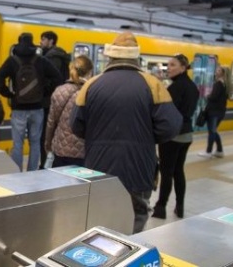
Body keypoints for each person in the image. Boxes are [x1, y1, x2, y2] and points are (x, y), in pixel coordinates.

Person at [71, 31, 181, 233]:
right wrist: (145, 137)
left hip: (98, 167)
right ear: (136, 58)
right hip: (138, 169)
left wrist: (98, 136)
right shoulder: (154, 85)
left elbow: (76, 126)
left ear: (110, 57)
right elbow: (172, 126)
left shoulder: (91, 85)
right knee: (136, 220)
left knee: (99, 222)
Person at [0, 33, 62, 172]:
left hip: (18, 108)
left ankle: (16, 172)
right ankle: (32, 172)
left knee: (18, 144)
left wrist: (9, 94)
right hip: (37, 108)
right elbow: (58, 77)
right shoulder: (41, 60)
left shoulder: (12, 61)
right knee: (35, 142)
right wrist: (44, 92)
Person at [152, 54, 199, 219]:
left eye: (172, 65)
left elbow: (167, 113)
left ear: (183, 67)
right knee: (178, 171)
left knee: (167, 172)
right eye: (168, 65)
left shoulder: (174, 88)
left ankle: (160, 207)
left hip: (173, 135)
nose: (168, 68)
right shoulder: (193, 86)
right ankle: (180, 207)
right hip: (187, 135)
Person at [44, 55, 93, 167]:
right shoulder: (91, 93)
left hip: (60, 150)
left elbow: (51, 123)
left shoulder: (60, 91)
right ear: (89, 72)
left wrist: (48, 146)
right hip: (83, 152)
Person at [39, 31, 68, 169]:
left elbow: (51, 80)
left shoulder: (52, 58)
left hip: (49, 102)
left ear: (51, 41)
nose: (41, 42)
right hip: (59, 100)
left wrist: (43, 90)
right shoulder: (62, 56)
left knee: (46, 135)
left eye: (43, 39)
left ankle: (45, 164)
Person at [198, 65, 231, 158]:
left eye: (219, 70)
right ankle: (219, 151)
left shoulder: (218, 84)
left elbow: (213, 97)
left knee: (212, 132)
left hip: (213, 112)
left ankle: (208, 152)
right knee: (213, 131)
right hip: (220, 111)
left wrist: (208, 95)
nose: (216, 71)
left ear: (222, 73)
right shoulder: (226, 84)